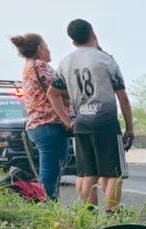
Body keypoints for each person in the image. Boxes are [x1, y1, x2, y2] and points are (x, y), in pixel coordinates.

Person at [47, 19, 134, 213]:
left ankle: (89, 215)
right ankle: (112, 213)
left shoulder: (65, 63)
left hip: (82, 123)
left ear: (73, 41)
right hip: (106, 122)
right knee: (114, 173)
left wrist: (67, 121)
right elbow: (123, 97)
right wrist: (130, 127)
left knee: (87, 173)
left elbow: (52, 94)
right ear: (93, 33)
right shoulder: (105, 60)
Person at [11, 33, 71, 201]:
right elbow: (60, 90)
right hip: (48, 124)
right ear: (39, 49)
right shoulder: (39, 66)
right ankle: (47, 208)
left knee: (51, 172)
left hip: (39, 125)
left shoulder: (29, 66)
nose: (49, 50)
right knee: (50, 175)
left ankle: (49, 206)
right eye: (47, 47)